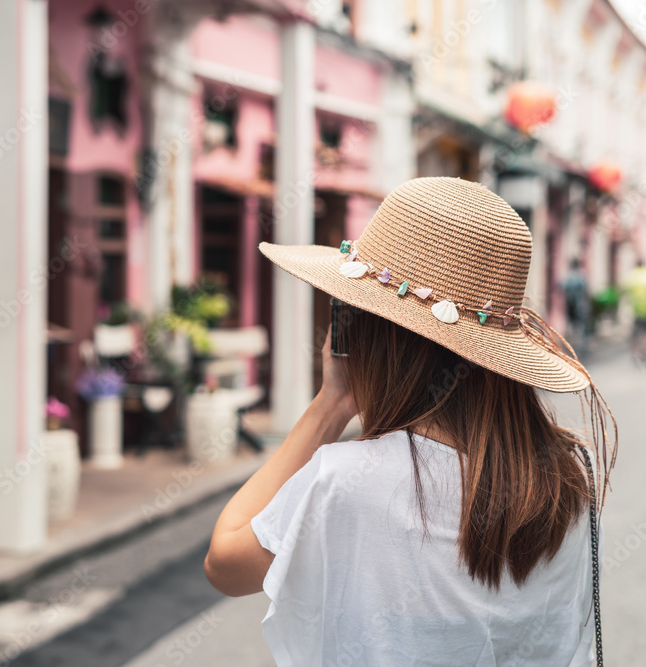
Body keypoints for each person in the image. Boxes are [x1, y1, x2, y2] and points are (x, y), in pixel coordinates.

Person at [204, 178, 617, 666]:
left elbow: (225, 565)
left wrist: (331, 403)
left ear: (371, 335)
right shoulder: (569, 477)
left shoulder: (347, 482)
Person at [622, 260, 646, 365]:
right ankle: (645, 351)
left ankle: (636, 353)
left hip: (636, 310)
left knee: (636, 334)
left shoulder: (631, 276)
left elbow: (625, 292)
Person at [562, 258, 590, 354]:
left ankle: (569, 345)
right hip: (579, 304)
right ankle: (581, 346)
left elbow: (564, 290)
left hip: (570, 304)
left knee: (571, 325)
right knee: (581, 326)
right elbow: (585, 291)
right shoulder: (580, 276)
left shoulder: (568, 276)